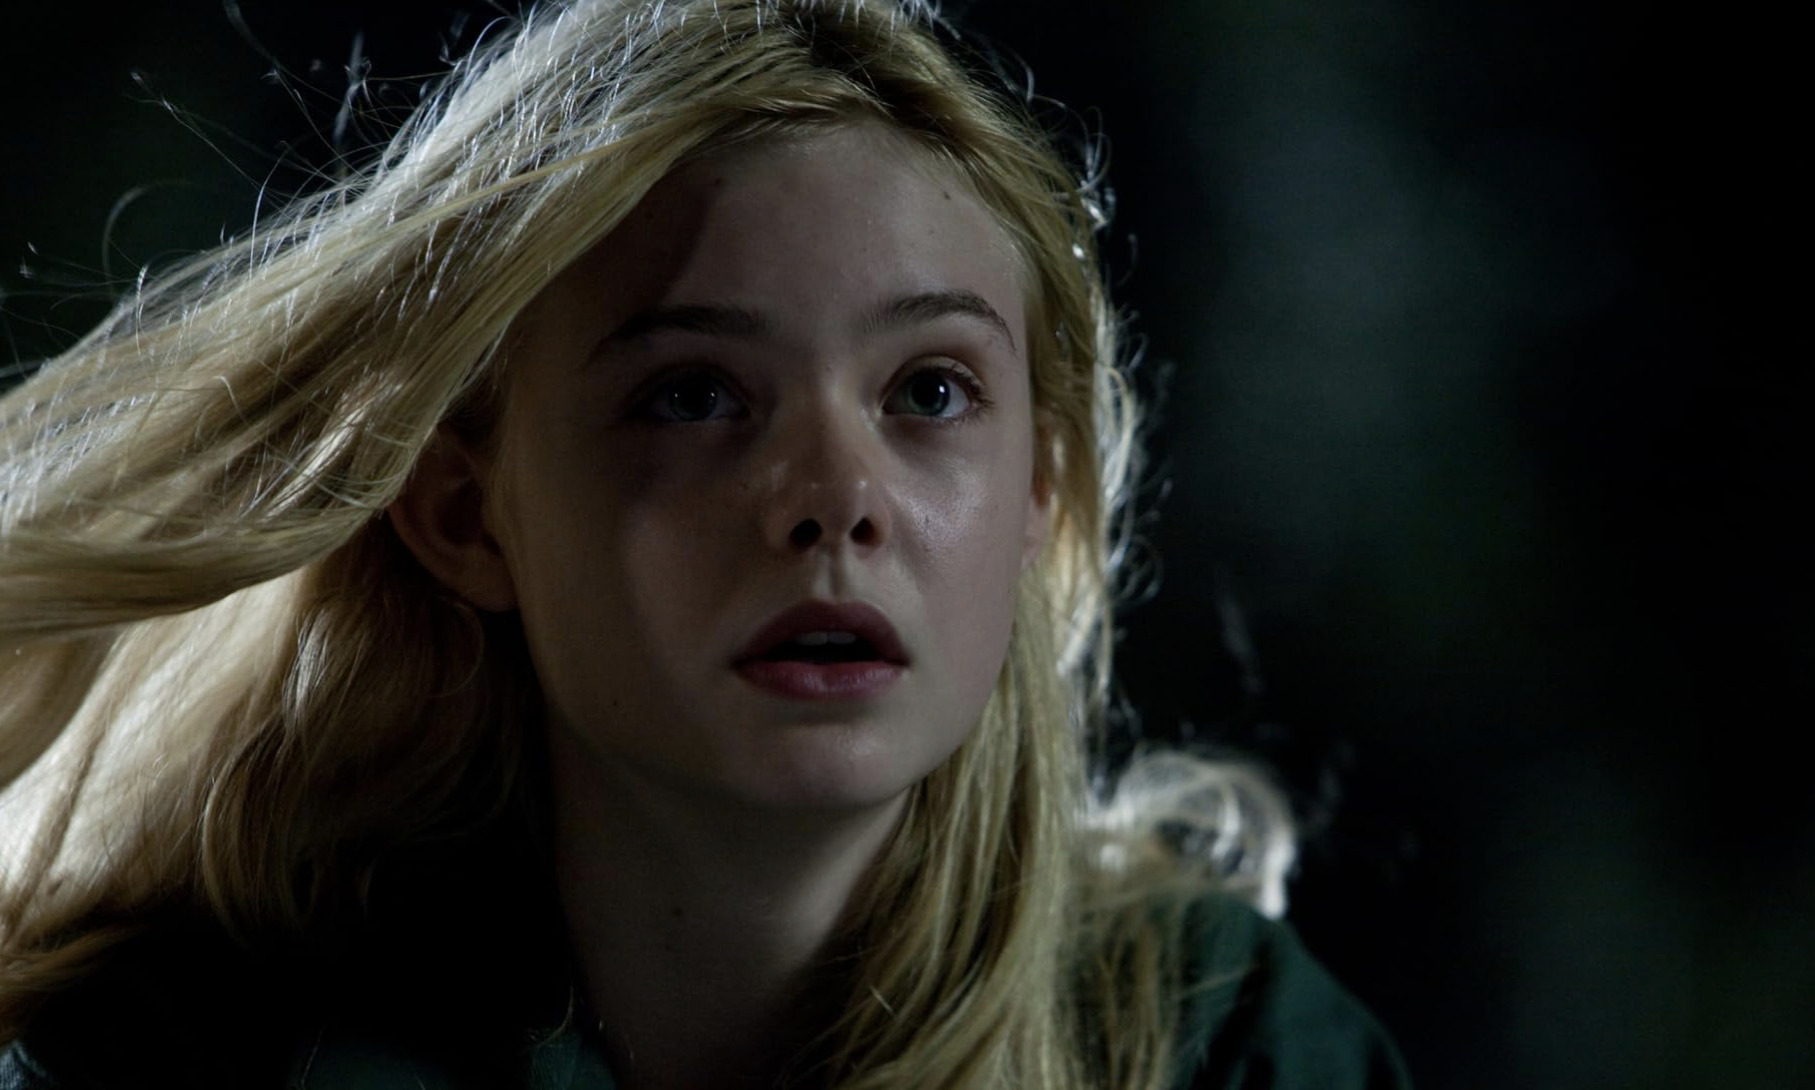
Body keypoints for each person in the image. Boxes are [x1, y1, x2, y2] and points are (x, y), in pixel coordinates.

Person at [0, 1, 1409, 1086]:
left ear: (1038, 491)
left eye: (929, 392)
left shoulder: (1230, 1044)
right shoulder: (181, 1050)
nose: (834, 499)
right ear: (464, 517)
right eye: (693, 397)